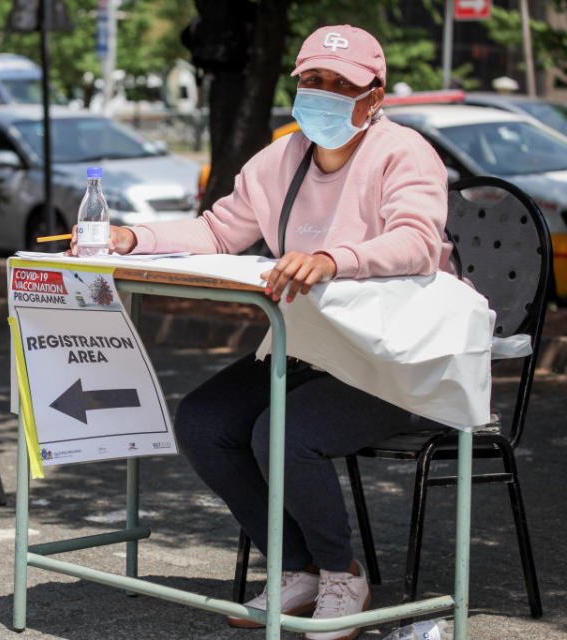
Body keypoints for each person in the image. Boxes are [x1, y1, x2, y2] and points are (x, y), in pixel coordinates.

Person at [72, 25, 454, 640]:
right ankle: (297, 565)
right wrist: (133, 239)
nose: (323, 94)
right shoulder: (280, 157)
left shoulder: (403, 153)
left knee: (283, 433)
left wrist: (335, 259)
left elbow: (417, 241)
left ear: (374, 97)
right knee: (202, 422)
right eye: (312, 81)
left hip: (396, 357)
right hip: (313, 345)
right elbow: (220, 230)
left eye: (341, 84)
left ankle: (341, 573)